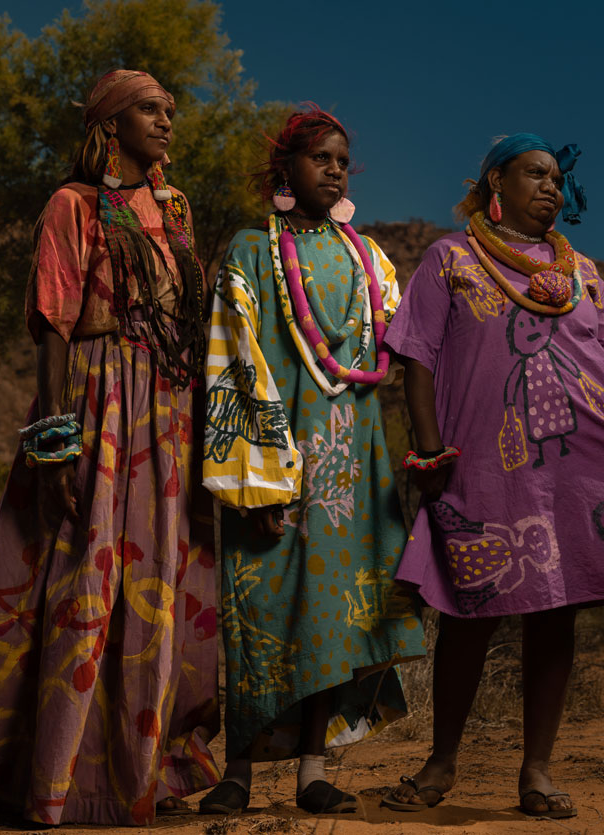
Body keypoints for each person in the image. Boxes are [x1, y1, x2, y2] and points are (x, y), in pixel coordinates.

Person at [380, 133, 604, 818]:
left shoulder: (584, 273)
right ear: (494, 185)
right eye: (535, 174)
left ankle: (536, 771)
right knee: (471, 609)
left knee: (556, 610)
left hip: (577, 467)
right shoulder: (451, 258)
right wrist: (426, 451)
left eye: (558, 179)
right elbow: (416, 355)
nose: (552, 188)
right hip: (479, 462)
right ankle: (441, 760)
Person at [0, 70, 219, 826]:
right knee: (78, 582)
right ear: (111, 124)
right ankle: (48, 779)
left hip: (167, 413)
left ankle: (136, 775)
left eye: (170, 111)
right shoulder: (72, 204)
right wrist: (54, 445)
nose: (166, 122)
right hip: (98, 407)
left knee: (155, 585)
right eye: (150, 111)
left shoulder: (174, 208)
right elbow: (53, 327)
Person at [201, 106, 425, 815]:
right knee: (259, 604)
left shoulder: (369, 257)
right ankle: (236, 769)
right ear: (285, 171)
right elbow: (234, 362)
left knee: (330, 614)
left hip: (352, 465)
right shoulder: (249, 250)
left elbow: (398, 349)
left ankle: (312, 770)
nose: (334, 169)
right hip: (274, 459)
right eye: (320, 158)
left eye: (342, 160)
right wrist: (258, 480)